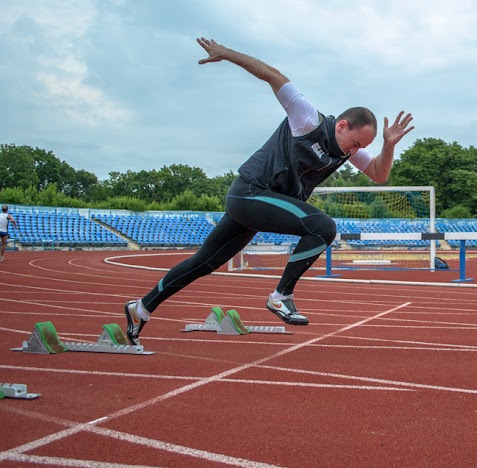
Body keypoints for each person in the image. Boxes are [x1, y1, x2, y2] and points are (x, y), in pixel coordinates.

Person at [124, 37, 414, 345]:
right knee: (323, 227)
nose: (356, 151)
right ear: (342, 125)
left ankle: (140, 308)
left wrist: (388, 145)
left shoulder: (345, 150)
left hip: (256, 205)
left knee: (204, 263)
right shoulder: (307, 119)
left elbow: (378, 175)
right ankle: (281, 295)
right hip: (250, 192)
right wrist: (225, 54)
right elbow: (273, 75)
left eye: (362, 148)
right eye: (356, 143)